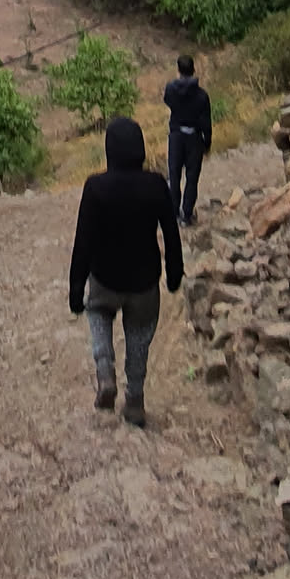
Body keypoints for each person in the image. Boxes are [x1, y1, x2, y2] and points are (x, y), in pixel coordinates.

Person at [68, 114, 182, 426]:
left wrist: (76, 289)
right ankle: (134, 401)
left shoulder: (95, 187)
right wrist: (174, 273)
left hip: (104, 278)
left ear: (109, 150)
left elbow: (83, 241)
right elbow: (172, 234)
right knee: (139, 336)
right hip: (144, 283)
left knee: (97, 313)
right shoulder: (156, 185)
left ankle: (105, 371)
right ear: (140, 149)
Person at [163, 53, 212, 227]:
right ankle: (187, 214)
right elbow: (206, 122)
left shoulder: (170, 89)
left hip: (176, 136)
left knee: (174, 175)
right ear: (193, 70)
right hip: (194, 138)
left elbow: (167, 100)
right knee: (192, 178)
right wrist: (207, 142)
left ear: (178, 70)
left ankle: (174, 212)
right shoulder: (202, 95)